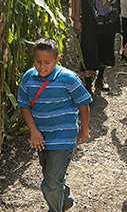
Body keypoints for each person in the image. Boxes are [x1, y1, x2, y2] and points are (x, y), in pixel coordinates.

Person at [17, 38, 92, 212]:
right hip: (42, 138)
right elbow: (24, 105)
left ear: (57, 60)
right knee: (51, 174)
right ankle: (66, 201)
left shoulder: (68, 78)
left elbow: (83, 103)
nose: (42, 66)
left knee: (51, 180)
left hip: (63, 137)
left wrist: (85, 129)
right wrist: (33, 131)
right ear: (33, 59)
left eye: (47, 62)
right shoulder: (28, 77)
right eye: (38, 62)